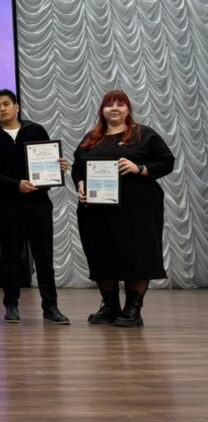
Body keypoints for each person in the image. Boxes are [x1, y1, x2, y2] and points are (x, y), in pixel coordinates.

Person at [72, 90, 174, 327]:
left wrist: (140, 168)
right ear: (102, 110)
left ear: (128, 109)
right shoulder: (91, 138)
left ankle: (132, 310)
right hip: (96, 211)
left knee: (137, 255)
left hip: (137, 210)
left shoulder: (143, 134)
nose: (114, 109)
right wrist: (80, 184)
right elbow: (77, 167)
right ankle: (110, 306)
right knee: (101, 254)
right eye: (109, 105)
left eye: (120, 104)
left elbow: (167, 161)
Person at [0, 89, 71, 324]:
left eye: (6, 104)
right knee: (10, 257)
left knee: (44, 256)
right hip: (8, 203)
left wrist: (58, 167)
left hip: (39, 203)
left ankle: (50, 307)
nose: (2, 108)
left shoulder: (36, 130)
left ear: (16, 107)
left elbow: (48, 161)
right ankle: (11, 305)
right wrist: (16, 185)